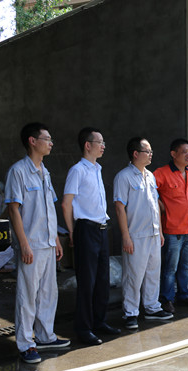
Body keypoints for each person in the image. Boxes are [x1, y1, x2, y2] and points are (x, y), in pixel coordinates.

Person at [5, 122, 70, 363]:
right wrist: (23, 244)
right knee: (27, 295)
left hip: (48, 243)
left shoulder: (45, 172)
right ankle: (25, 344)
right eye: (47, 139)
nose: (51, 143)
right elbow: (13, 210)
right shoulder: (18, 171)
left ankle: (45, 336)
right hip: (31, 243)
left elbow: (49, 209)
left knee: (48, 293)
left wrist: (57, 239)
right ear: (33, 141)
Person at [62, 127, 120, 346]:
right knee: (87, 282)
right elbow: (66, 203)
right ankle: (83, 328)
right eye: (99, 142)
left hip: (101, 229)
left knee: (102, 280)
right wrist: (72, 231)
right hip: (85, 229)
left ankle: (99, 321)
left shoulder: (97, 169)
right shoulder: (77, 170)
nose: (103, 146)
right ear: (88, 145)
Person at [114, 137, 172, 330]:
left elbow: (155, 205)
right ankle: (130, 312)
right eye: (147, 151)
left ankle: (152, 307)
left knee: (153, 273)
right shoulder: (124, 177)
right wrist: (126, 236)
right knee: (134, 275)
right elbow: (120, 208)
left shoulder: (150, 176)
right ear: (135, 154)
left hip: (153, 234)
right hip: (136, 235)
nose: (151, 154)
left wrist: (160, 231)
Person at [153, 138, 188, 313]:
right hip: (173, 230)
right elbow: (149, 191)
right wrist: (159, 204)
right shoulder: (161, 173)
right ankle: (166, 299)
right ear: (173, 154)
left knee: (186, 266)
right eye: (184, 152)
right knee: (170, 268)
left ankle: (183, 295)